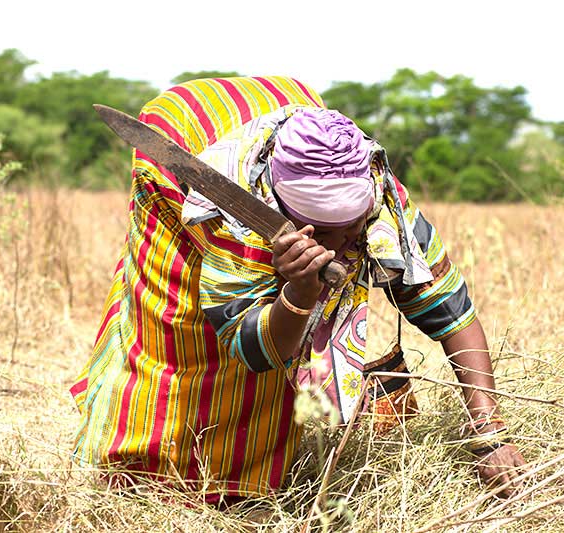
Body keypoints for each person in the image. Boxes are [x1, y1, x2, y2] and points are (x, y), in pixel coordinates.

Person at [70, 76, 526, 504]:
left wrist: (490, 435)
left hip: (296, 113)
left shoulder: (381, 200)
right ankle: (151, 470)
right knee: (184, 337)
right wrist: (298, 295)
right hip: (183, 130)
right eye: (326, 235)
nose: (344, 247)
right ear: (281, 213)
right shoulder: (225, 217)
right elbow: (254, 350)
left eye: (353, 232)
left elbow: (451, 310)